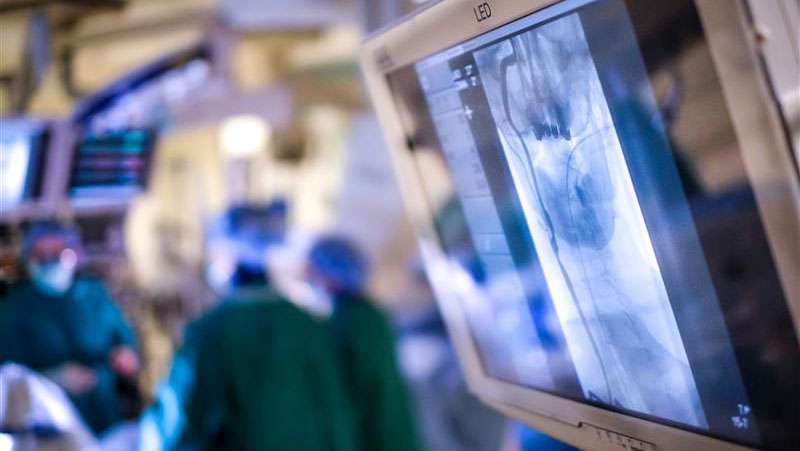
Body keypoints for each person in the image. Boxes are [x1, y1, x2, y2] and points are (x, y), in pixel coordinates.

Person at [173, 202, 356, 451]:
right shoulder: (309, 326)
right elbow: (337, 417)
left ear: (228, 254)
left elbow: (182, 424)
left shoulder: (209, 333)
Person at [0, 221, 139, 435]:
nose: (49, 259)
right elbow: (7, 374)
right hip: (47, 427)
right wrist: (50, 378)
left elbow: (122, 336)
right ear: (28, 259)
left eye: (57, 251)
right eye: (40, 253)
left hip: (105, 417)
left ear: (75, 253)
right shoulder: (14, 308)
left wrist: (125, 353)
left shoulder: (93, 293)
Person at [307, 235, 422, 451]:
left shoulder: (344, 324)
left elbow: (349, 399)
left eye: (313, 270)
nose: (309, 276)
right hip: (395, 432)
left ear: (328, 275)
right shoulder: (373, 315)